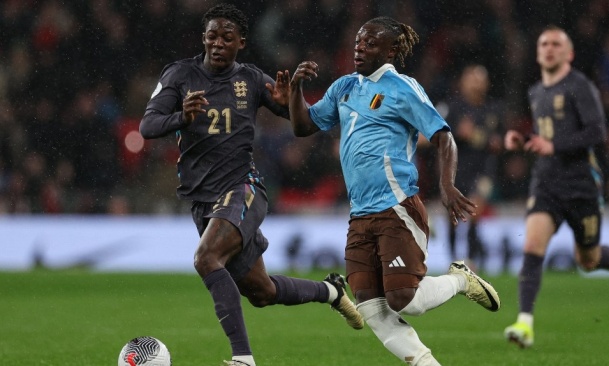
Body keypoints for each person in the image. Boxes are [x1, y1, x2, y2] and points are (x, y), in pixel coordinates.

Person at [139, 4, 363, 366]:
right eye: (212, 35)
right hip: (203, 200)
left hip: (244, 188)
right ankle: (331, 291)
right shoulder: (180, 75)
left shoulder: (253, 80)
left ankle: (243, 358)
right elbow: (147, 127)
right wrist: (183, 115)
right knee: (262, 291)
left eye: (227, 37)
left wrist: (293, 95)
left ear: (241, 42)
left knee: (206, 258)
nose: (218, 43)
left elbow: (302, 122)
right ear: (203, 38)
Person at [285, 16, 501, 366]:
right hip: (360, 215)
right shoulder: (344, 87)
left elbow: (444, 136)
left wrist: (446, 186)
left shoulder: (403, 87)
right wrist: (295, 89)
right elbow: (303, 126)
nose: (360, 48)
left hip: (396, 207)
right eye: (358, 41)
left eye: (370, 43)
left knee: (404, 298)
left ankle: (460, 280)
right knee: (370, 305)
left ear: (392, 50)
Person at [503, 26, 609, 349]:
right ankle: (525, 323)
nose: (549, 49)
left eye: (556, 44)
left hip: (581, 186)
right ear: (538, 52)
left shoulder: (580, 87)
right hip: (547, 182)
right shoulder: (536, 91)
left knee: (588, 260)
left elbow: (597, 133)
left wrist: (555, 146)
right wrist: (522, 141)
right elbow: (545, 138)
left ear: (569, 54)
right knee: (532, 246)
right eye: (544, 44)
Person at [440, 64, 506, 270]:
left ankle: (470, 261)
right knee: (452, 216)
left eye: (479, 79)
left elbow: (499, 143)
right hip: (456, 170)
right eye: (471, 79)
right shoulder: (452, 108)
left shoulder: (494, 110)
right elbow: (437, 135)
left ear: (487, 84)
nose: (475, 84)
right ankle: (452, 260)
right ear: (462, 82)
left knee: (474, 212)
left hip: (484, 171)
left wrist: (475, 135)